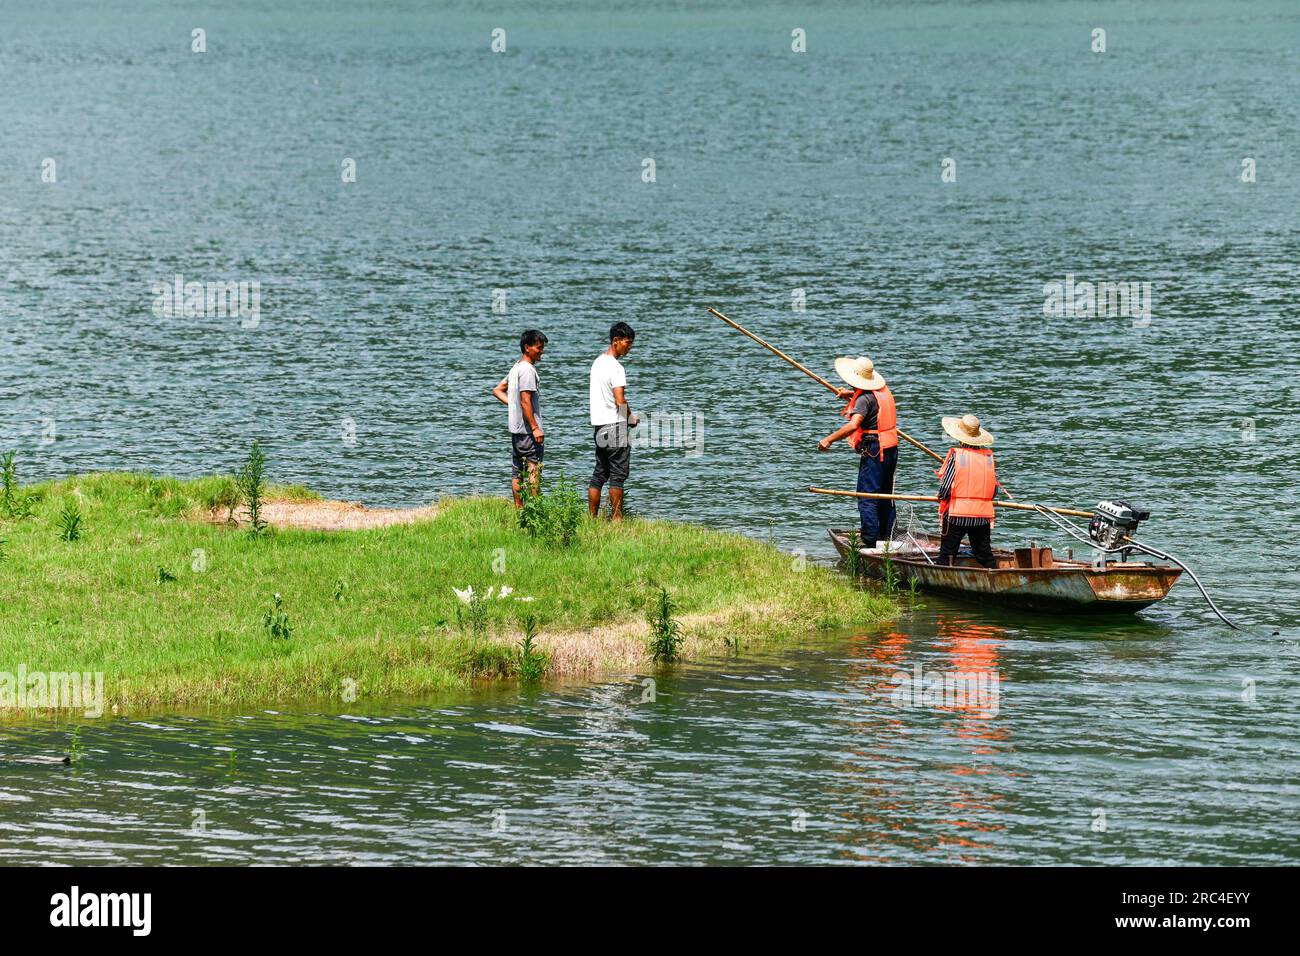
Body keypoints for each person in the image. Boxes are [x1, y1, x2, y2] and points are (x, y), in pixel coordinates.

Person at [817, 355, 898, 545]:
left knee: (867, 495)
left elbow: (854, 425)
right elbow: (869, 402)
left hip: (875, 449)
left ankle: (870, 540)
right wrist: (851, 395)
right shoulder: (883, 392)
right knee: (886, 495)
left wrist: (828, 440)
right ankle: (887, 538)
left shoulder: (864, 399)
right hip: (891, 448)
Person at [491, 329, 547, 508]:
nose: (541, 351)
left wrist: (513, 405)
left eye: (542, 348)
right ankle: (535, 510)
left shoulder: (516, 367)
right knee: (533, 468)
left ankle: (519, 509)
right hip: (528, 432)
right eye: (538, 348)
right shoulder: (528, 370)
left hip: (516, 431)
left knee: (517, 472)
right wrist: (535, 427)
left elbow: (498, 390)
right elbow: (525, 400)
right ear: (527, 347)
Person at [934, 413, 998, 569]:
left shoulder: (957, 456)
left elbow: (945, 488)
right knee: (984, 554)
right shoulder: (988, 459)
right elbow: (994, 490)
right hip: (982, 516)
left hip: (958, 515)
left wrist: (940, 497)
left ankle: (945, 573)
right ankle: (994, 571)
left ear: (960, 439)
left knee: (947, 554)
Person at [588, 321, 637, 519]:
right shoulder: (616, 367)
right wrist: (631, 418)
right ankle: (617, 519)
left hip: (600, 427)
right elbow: (620, 400)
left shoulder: (597, 362)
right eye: (627, 342)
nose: (630, 347)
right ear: (615, 341)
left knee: (599, 474)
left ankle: (591, 518)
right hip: (616, 427)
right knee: (617, 476)